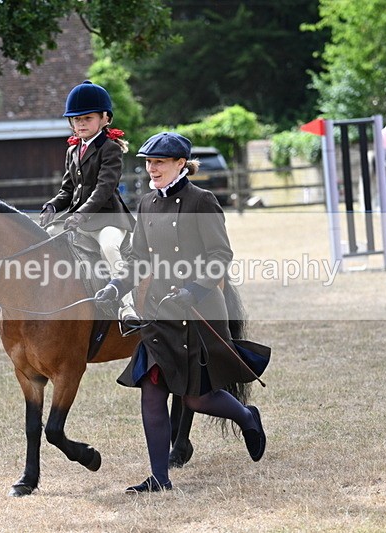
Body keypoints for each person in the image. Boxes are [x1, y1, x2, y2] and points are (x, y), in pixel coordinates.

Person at [94, 132, 270, 493]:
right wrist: (115, 285)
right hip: (159, 312)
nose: (151, 168)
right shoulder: (145, 204)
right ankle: (160, 478)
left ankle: (246, 416)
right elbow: (136, 259)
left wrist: (192, 289)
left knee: (195, 397)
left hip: (198, 311)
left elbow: (220, 255)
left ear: (180, 164)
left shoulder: (201, 201)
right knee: (152, 391)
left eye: (159, 162)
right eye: (148, 162)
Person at [40, 80, 137, 332]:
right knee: (42, 241)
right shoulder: (73, 151)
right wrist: (52, 206)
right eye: (76, 119)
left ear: (105, 118)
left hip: (109, 221)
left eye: (87, 118)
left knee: (109, 247)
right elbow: (67, 190)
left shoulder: (110, 149)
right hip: (78, 222)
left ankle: (128, 307)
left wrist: (80, 215)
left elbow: (103, 190)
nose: (80, 124)